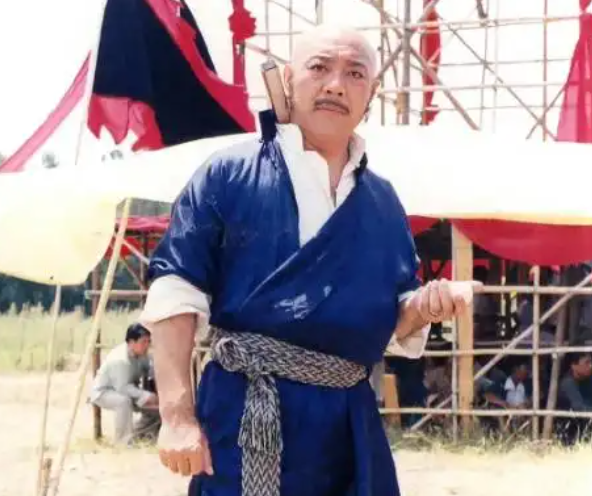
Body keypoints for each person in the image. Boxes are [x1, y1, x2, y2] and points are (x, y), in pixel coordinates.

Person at [140, 24, 478, 496]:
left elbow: (391, 318)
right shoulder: (229, 174)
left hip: (347, 429)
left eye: (355, 73)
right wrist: (177, 416)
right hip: (244, 415)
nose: (336, 85)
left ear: (372, 92)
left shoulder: (383, 202)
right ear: (287, 78)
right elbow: (176, 291)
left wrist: (425, 306)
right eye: (319, 68)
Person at [89, 323, 160, 445]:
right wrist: (146, 395)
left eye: (148, 341)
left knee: (158, 408)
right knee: (123, 401)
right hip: (104, 392)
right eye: (143, 341)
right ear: (131, 342)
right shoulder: (120, 359)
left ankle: (140, 434)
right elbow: (122, 388)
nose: (147, 345)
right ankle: (123, 442)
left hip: (129, 390)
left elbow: (150, 369)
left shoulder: (142, 355)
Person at [556, 352, 592, 444]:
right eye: (587, 362)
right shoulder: (567, 383)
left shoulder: (587, 380)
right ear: (574, 366)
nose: (590, 366)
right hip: (571, 434)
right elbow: (579, 408)